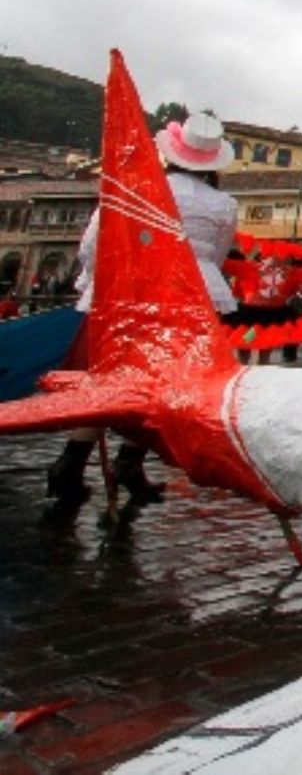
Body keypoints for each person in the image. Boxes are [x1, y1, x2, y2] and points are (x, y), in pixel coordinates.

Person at [46, 109, 241, 510]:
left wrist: (91, 283)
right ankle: (129, 463)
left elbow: (94, 243)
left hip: (128, 291)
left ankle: (70, 465)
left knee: (105, 379)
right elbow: (217, 257)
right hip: (187, 295)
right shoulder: (223, 204)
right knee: (159, 384)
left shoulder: (133, 187)